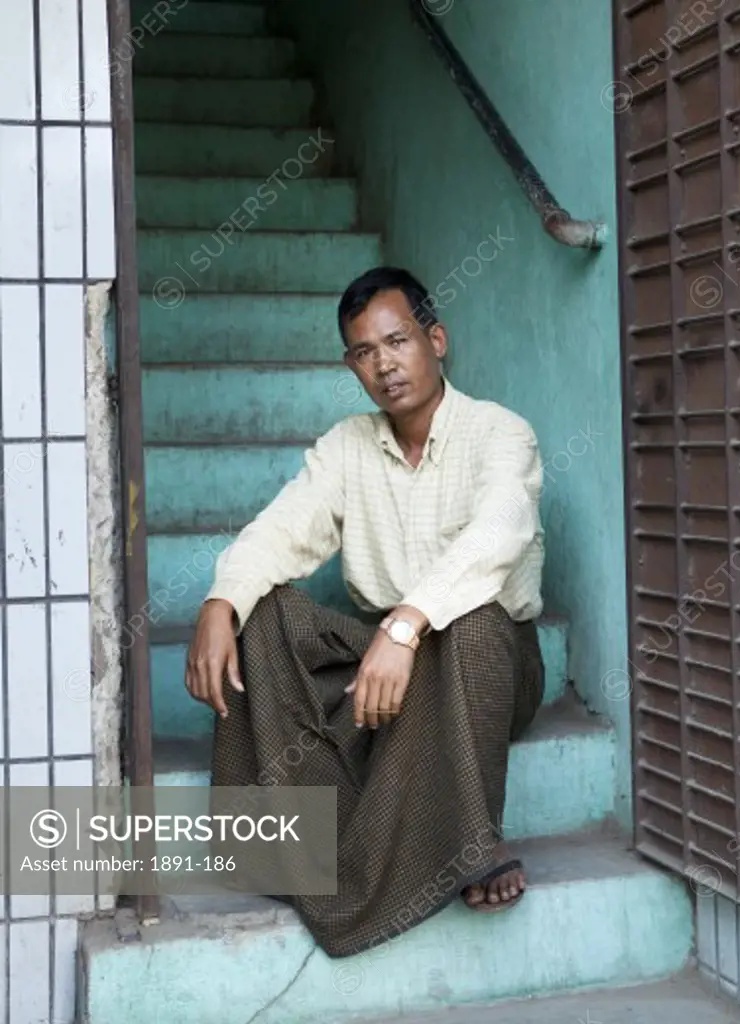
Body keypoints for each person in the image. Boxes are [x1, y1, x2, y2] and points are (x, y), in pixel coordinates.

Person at [185, 265, 546, 958]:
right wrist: (218, 603)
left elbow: (498, 534)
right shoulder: (347, 445)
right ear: (350, 365)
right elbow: (282, 528)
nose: (384, 365)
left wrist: (409, 626)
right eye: (363, 352)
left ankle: (466, 847)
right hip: (380, 660)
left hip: (486, 656)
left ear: (434, 340)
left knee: (471, 623)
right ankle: (286, 840)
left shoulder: (500, 433)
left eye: (398, 341)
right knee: (264, 615)